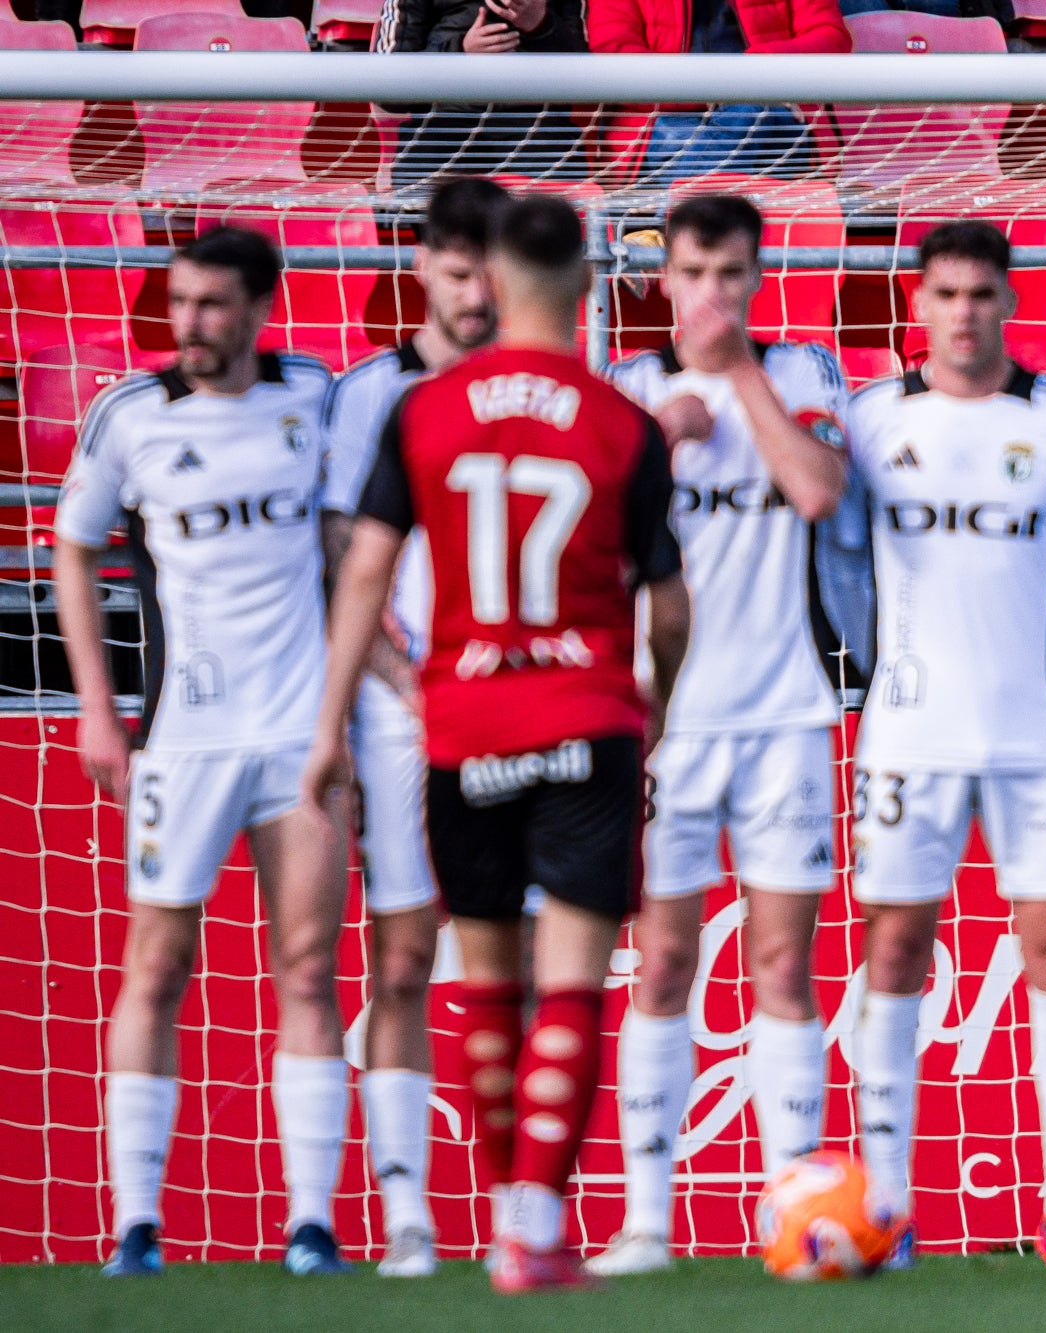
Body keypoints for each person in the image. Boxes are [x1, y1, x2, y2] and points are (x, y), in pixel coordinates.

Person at [301, 196, 693, 1293]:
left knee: (485, 985)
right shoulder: (619, 420)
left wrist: (329, 724)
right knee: (571, 979)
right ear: (578, 286)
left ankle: (496, 1219)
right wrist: (659, 699)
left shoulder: (422, 411)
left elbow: (365, 573)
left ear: (495, 281)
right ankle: (534, 1228)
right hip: (584, 713)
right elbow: (668, 604)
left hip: (459, 721)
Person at [827, 220, 1046, 1270]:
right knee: (895, 951)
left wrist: (1025, 654)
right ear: (917, 304)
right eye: (945, 294)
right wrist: (892, 664)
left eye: (981, 295)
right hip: (906, 729)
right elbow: (842, 566)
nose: (963, 313)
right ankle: (888, 1211)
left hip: (1033, 727)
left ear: (1007, 301)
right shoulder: (868, 421)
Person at [54, 227, 353, 1278]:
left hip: (301, 736)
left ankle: (310, 1226)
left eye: (213, 304)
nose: (190, 323)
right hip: (182, 737)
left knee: (310, 969)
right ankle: (137, 1223)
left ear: (261, 306)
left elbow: (347, 547)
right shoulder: (130, 417)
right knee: (156, 963)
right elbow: (73, 546)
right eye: (179, 302)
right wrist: (97, 707)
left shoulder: (314, 396)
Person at [588, 193, 849, 1277]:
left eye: (732, 273)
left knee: (783, 964)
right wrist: (656, 441)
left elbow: (819, 491)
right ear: (661, 278)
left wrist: (736, 378)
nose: (711, 293)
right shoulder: (624, 393)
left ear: (754, 275)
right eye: (695, 273)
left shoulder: (804, 374)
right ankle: (645, 1221)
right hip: (665, 723)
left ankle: (793, 1217)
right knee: (660, 965)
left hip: (785, 711)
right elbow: (585, 530)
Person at [319, 175, 513, 1280]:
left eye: (490, 273)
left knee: (516, 964)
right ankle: (405, 1218)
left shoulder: (539, 385)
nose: (474, 294)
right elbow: (347, 553)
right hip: (405, 712)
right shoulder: (368, 395)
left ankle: (517, 1210)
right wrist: (398, 681)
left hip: (522, 706)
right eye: (454, 272)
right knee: (399, 959)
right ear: (422, 272)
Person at [586, 0, 849, 184]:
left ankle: (684, 231)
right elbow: (616, 57)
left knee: (750, 112)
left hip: (770, 116)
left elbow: (832, 38)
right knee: (728, 123)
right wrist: (719, 88)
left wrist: (752, 71)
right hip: (663, 122)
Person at [375, 0, 589, 186]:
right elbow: (387, 89)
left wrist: (541, 26)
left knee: (558, 171)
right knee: (421, 171)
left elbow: (584, 82)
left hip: (537, 123)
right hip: (441, 121)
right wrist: (460, 54)